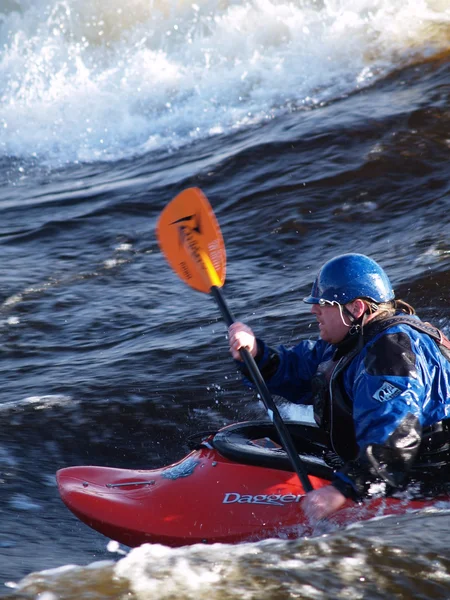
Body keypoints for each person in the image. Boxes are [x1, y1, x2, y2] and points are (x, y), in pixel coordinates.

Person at [228, 253, 450, 521]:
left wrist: (344, 489)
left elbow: (396, 433)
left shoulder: (390, 353)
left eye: (323, 303)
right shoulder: (353, 340)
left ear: (355, 308)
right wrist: (255, 353)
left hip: (426, 481)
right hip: (394, 467)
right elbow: (299, 369)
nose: (314, 310)